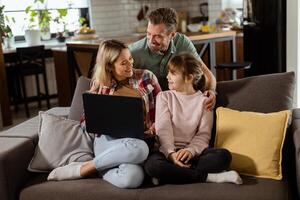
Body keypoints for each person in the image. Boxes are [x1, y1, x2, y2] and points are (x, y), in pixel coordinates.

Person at [47, 39, 161, 189]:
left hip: (139, 140)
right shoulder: (99, 84)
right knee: (140, 149)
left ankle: (98, 168)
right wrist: (101, 121)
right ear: (109, 65)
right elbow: (85, 121)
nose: (130, 65)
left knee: (132, 178)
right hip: (108, 142)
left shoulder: (146, 77)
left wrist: (155, 125)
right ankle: (82, 169)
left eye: (130, 59)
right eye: (123, 63)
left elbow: (164, 109)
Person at [144, 53, 242, 185]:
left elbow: (203, 135)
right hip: (167, 153)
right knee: (153, 166)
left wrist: (190, 150)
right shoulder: (164, 97)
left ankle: (169, 175)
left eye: (173, 73)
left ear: (189, 77)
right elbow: (163, 130)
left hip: (193, 154)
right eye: (168, 72)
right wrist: (171, 154)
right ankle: (210, 177)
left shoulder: (204, 101)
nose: (167, 77)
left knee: (223, 156)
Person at [129, 7, 216, 110]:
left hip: (179, 105)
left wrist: (211, 91)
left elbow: (206, 74)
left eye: (158, 36)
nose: (151, 41)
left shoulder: (183, 43)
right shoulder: (134, 52)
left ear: (172, 35)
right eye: (148, 34)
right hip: (149, 107)